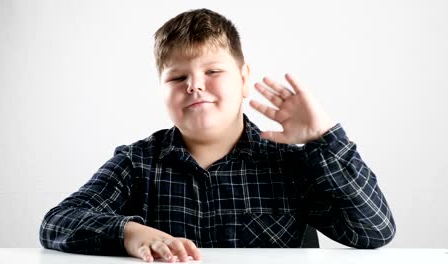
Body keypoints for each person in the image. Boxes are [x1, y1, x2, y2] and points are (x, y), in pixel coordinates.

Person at [39, 8, 396, 263]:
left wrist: (323, 138)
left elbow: (373, 231)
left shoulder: (289, 164)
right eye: (178, 78)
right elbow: (58, 221)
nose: (195, 84)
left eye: (212, 70)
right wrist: (131, 233)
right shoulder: (137, 163)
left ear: (243, 79)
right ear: (162, 90)